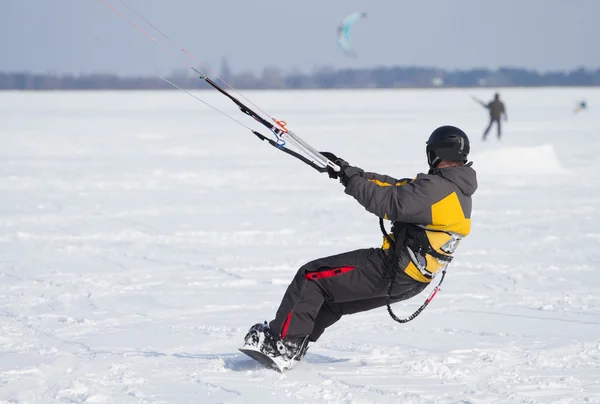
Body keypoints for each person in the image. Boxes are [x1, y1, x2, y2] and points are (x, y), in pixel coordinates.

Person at [242, 126, 478, 370]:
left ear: (435, 153)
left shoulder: (437, 189)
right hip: (413, 279)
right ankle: (295, 343)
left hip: (393, 269)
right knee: (331, 297)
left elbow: (388, 201)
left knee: (312, 276)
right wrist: (349, 171)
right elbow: (396, 187)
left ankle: (285, 344)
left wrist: (352, 181)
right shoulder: (454, 188)